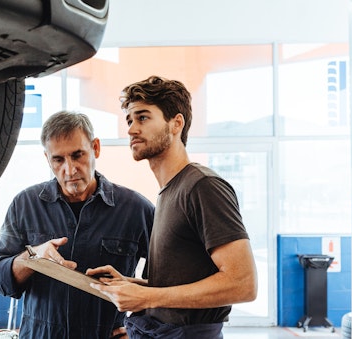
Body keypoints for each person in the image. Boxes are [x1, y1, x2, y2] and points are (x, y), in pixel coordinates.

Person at [88, 75, 258, 338]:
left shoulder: (203, 186)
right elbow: (181, 286)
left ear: (176, 123)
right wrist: (134, 286)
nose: (132, 129)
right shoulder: (168, 192)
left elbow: (243, 283)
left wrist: (147, 297)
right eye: (130, 120)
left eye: (143, 118)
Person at [0, 110, 155, 339]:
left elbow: (165, 288)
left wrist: (139, 330)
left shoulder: (136, 209)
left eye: (77, 155)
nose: (70, 169)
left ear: (95, 148)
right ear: (47, 159)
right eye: (58, 159)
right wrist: (34, 258)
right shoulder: (25, 204)